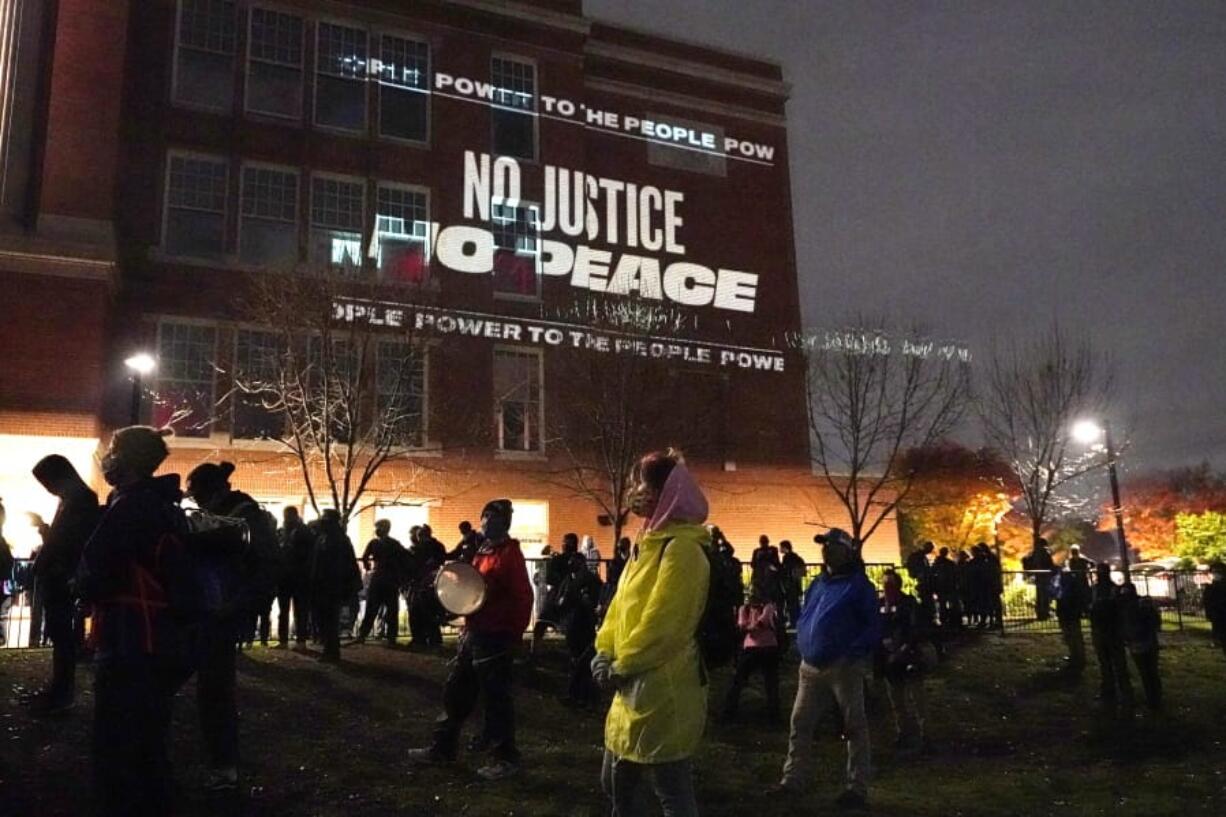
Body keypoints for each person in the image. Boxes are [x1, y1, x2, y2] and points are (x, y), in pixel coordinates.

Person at [75, 426, 190, 817]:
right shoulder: (162, 506)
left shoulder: (130, 508)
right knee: (148, 736)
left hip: (130, 638)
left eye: (114, 450)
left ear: (126, 460)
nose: (108, 457)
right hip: (159, 640)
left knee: (119, 738)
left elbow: (98, 571)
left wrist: (78, 583)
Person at [592, 450, 711, 817]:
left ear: (666, 491)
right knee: (615, 784)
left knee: (671, 790)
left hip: (662, 687)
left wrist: (622, 664)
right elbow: (620, 606)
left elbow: (665, 623)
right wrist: (604, 650)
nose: (634, 491)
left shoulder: (683, 551)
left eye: (640, 483)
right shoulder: (648, 544)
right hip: (631, 684)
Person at [409, 499, 533, 781]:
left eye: (494, 516)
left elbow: (523, 597)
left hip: (496, 637)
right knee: (456, 693)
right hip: (475, 634)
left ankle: (505, 758)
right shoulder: (483, 551)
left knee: (496, 700)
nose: (488, 520)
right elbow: (472, 589)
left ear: (505, 521)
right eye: (485, 515)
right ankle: (442, 748)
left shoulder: (509, 555)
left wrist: (513, 634)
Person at [185, 461, 276, 790]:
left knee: (215, 690)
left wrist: (236, 607)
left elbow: (264, 568)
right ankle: (217, 761)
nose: (195, 503)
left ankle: (223, 765)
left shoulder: (244, 516)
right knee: (209, 689)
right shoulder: (224, 513)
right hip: (206, 609)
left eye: (197, 496)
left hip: (221, 611)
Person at [773, 527, 880, 809]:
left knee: (854, 725)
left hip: (843, 667)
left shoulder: (859, 587)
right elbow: (807, 613)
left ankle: (857, 788)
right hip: (810, 667)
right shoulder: (818, 584)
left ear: (847, 551)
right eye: (824, 545)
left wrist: (852, 652)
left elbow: (873, 626)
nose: (826, 549)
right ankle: (792, 780)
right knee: (800, 723)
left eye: (832, 545)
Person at [25, 455, 100, 714]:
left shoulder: (79, 501)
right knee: (60, 635)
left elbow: (71, 541)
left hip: (61, 576)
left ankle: (62, 691)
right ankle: (59, 689)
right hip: (58, 574)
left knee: (62, 635)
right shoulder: (73, 499)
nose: (47, 487)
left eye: (47, 482)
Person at [876, 569, 928, 756]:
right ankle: (903, 732)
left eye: (890, 583)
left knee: (917, 698)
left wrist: (904, 648)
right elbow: (877, 627)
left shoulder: (908, 603)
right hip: (890, 660)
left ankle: (924, 734)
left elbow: (915, 628)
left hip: (908, 655)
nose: (887, 587)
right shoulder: (881, 604)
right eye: (884, 583)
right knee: (897, 700)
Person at [722, 578, 782, 724]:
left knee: (741, 680)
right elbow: (761, 623)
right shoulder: (767, 607)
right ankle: (773, 714)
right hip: (767, 646)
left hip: (753, 647)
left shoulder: (748, 609)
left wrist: (750, 627)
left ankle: (729, 712)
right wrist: (754, 626)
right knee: (770, 682)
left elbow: (745, 625)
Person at [309, 510, 362, 662]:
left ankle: (331, 651)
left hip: (331, 585)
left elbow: (343, 565)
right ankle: (330, 649)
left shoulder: (338, 539)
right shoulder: (325, 537)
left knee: (330, 619)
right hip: (324, 584)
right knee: (325, 619)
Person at [558, 550, 603, 706]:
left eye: (574, 561)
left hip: (584, 624)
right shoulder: (569, 580)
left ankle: (582, 695)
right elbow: (561, 600)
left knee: (583, 661)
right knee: (576, 659)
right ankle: (579, 694)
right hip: (572, 624)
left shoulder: (589, 580)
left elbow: (594, 599)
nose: (571, 564)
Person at [1089, 563, 1133, 711]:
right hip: (1107, 631)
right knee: (1111, 663)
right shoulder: (1110, 589)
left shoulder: (1105, 590)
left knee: (1112, 664)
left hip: (1108, 630)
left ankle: (1118, 692)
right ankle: (1117, 692)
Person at [357, 519, 407, 645]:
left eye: (378, 527)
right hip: (390, 579)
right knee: (391, 609)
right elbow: (404, 557)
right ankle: (391, 636)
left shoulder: (374, 543)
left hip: (379, 578)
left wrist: (369, 569)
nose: (376, 530)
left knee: (372, 608)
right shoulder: (394, 543)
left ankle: (363, 634)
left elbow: (364, 557)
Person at [531, 532, 579, 659]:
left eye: (565, 542)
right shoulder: (576, 559)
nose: (563, 545)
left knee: (541, 624)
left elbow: (545, 576)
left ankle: (535, 652)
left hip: (559, 598)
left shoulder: (563, 559)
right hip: (569, 598)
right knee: (543, 624)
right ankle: (573, 655)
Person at [1119, 583, 1162, 709]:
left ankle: (1153, 697)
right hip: (1146, 641)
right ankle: (1155, 697)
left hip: (1138, 642)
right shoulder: (1141, 604)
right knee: (1151, 671)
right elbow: (1155, 622)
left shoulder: (1127, 607)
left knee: (1146, 671)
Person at [277, 506, 314, 647]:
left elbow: (307, 554)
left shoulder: (302, 531)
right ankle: (287, 640)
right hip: (289, 576)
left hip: (297, 576)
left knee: (298, 610)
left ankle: (298, 640)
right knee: (288, 610)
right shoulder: (285, 531)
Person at [407, 524, 447, 648]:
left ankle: (420, 639)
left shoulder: (420, 548)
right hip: (432, 583)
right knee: (430, 613)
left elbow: (414, 564)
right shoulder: (438, 546)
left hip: (421, 583)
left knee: (417, 612)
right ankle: (434, 639)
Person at [1056, 569, 1088, 675]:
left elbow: (1062, 603)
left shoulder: (1067, 591)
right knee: (1072, 638)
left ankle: (1077, 658)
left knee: (1073, 638)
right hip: (1070, 617)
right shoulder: (1069, 589)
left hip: (1068, 617)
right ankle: (1076, 657)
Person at [1022, 538, 1056, 620]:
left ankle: (1040, 613)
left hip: (1038, 577)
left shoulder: (1035, 553)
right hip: (1045, 577)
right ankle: (1045, 613)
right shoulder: (1046, 553)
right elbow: (1050, 564)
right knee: (1045, 596)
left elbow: (1029, 562)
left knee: (1040, 595)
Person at [930, 546, 958, 630]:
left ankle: (945, 619)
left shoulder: (938, 563)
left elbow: (933, 573)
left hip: (942, 586)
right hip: (947, 586)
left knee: (943, 604)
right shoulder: (949, 563)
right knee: (949, 603)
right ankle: (950, 619)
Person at [779, 540, 806, 630]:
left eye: (781, 547)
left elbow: (785, 570)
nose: (780, 549)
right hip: (795, 583)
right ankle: (797, 621)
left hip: (790, 584)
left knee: (791, 604)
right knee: (796, 604)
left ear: (785, 547)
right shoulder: (796, 556)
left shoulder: (787, 557)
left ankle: (794, 622)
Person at [1204, 561, 1226, 658]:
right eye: (1213, 571)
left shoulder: (1218, 585)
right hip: (1218, 617)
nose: (1215, 574)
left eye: (1218, 571)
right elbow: (1207, 601)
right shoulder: (1210, 586)